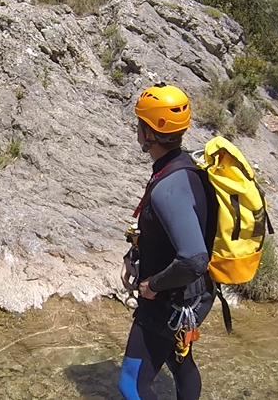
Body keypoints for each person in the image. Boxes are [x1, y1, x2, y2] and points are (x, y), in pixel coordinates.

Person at [119, 83, 216, 400]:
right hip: (192, 297)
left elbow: (193, 258)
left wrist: (153, 285)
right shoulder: (183, 167)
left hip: (169, 303)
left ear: (149, 133)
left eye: (140, 123)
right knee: (180, 362)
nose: (137, 128)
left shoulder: (168, 187)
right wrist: (132, 258)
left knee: (132, 385)